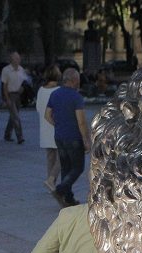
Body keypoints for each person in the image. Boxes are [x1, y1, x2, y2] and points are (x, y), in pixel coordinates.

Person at [46, 68, 90, 208]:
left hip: (59, 136)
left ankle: (68, 198)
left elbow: (47, 115)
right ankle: (60, 190)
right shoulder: (76, 97)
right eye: (78, 79)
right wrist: (86, 140)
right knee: (77, 167)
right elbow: (81, 122)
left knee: (66, 167)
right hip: (74, 138)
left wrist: (58, 124)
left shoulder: (54, 94)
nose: (79, 82)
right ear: (74, 80)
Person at [36, 65, 61, 193]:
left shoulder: (41, 90)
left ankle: (51, 182)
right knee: (61, 156)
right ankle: (51, 180)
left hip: (44, 127)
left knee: (50, 156)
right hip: (55, 125)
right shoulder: (58, 90)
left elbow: (38, 108)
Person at [1, 52, 27, 143]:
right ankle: (20, 137)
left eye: (19, 58)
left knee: (13, 116)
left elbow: (24, 81)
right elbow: (4, 85)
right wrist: (6, 98)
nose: (18, 60)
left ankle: (7, 134)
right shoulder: (6, 70)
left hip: (18, 95)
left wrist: (23, 88)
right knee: (16, 116)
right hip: (10, 94)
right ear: (11, 59)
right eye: (16, 58)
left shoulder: (21, 69)